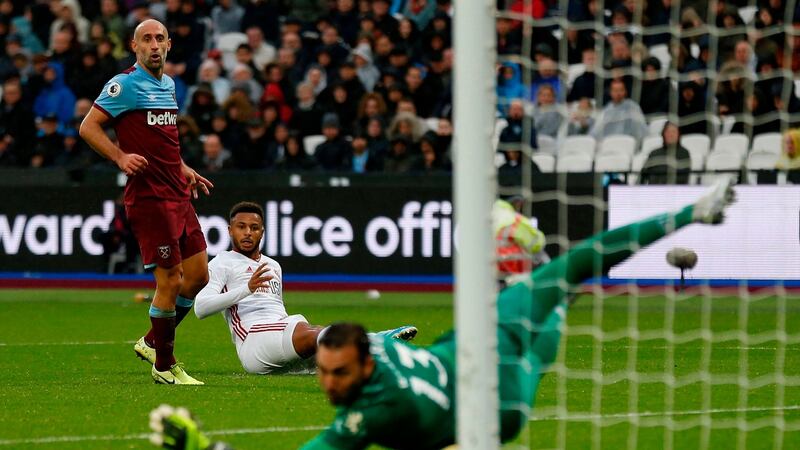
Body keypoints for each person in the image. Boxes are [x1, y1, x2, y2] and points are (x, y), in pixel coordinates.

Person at [148, 180, 737, 449]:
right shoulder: (497, 312)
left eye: (339, 375)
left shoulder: (373, 414)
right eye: (328, 375)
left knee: (555, 295)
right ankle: (539, 268)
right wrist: (688, 213)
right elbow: (595, 252)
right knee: (558, 290)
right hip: (472, 359)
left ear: (366, 368)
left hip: (494, 400)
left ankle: (539, 270)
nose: (331, 388)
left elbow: (594, 252)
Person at [79, 19, 213, 385]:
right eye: (146, 40)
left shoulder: (168, 84)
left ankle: (153, 342)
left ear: (169, 44)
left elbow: (163, 141)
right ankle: (164, 366)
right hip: (150, 198)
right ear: (134, 46)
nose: (154, 45)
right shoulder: (124, 85)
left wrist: (183, 167)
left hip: (178, 194)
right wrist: (120, 157)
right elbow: (88, 127)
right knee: (169, 280)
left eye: (159, 39)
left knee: (199, 276)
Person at [194, 201, 418, 374]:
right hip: (253, 341)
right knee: (310, 333)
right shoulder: (221, 263)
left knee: (324, 346)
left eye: (254, 227)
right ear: (230, 230)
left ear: (262, 231)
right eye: (241, 227)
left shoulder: (273, 265)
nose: (248, 232)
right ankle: (377, 341)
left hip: (278, 332)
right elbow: (200, 308)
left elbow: (276, 309)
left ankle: (381, 362)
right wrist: (245, 290)